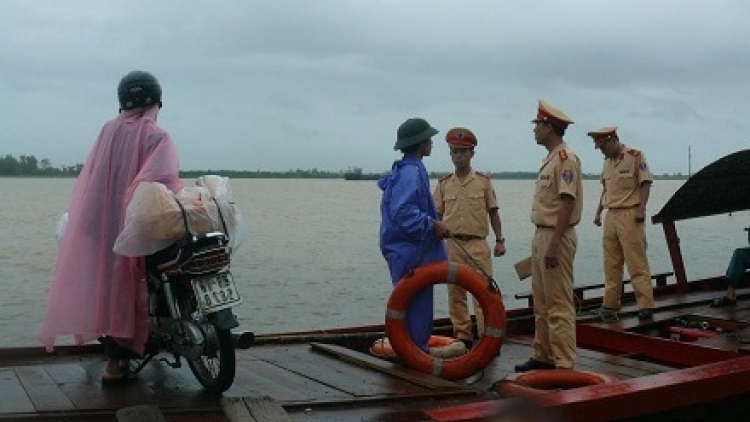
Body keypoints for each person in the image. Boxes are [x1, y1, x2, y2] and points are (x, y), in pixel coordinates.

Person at [39, 70, 184, 381]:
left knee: (109, 287)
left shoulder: (107, 130)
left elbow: (93, 179)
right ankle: (128, 352)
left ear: (122, 103)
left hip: (100, 223)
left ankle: (115, 361)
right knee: (140, 282)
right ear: (157, 101)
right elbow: (163, 182)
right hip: (137, 224)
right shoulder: (158, 137)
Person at [515, 99, 582, 372]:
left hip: (557, 236)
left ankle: (564, 362)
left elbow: (567, 203)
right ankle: (542, 354)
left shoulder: (567, 160)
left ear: (549, 127)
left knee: (558, 303)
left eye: (538, 125)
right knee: (541, 302)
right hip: (542, 234)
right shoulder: (550, 160)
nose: (534, 130)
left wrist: (554, 244)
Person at [378, 117, 449, 354]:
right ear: (420, 143)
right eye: (429, 138)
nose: (431, 142)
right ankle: (414, 355)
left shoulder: (405, 169)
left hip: (403, 250)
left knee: (409, 304)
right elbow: (403, 211)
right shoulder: (410, 173)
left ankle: (408, 352)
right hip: (410, 252)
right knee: (416, 307)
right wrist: (432, 225)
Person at [433, 127, 506, 350]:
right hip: (453, 244)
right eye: (455, 152)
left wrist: (500, 240)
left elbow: (493, 212)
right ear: (450, 155)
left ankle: (486, 335)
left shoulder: (483, 182)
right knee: (455, 292)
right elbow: (436, 216)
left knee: (483, 291)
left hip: (477, 244)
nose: (459, 156)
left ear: (472, 154)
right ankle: (463, 334)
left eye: (464, 152)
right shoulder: (444, 184)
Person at [589, 127, 655, 322]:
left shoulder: (635, 156)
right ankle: (610, 305)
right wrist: (599, 212)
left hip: (630, 213)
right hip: (611, 214)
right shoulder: (607, 163)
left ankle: (645, 305)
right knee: (611, 263)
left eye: (602, 147)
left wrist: (642, 208)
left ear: (612, 140)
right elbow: (606, 190)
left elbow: (645, 183)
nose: (601, 151)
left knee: (636, 262)